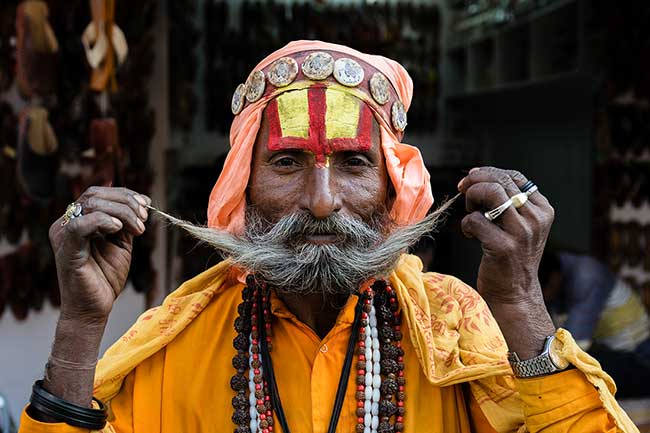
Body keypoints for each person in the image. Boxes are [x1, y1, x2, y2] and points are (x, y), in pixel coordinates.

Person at [19, 41, 637, 433]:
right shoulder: (177, 347)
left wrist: (523, 306)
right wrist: (79, 327)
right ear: (245, 186)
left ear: (393, 188)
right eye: (287, 163)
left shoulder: (454, 325)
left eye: (354, 164)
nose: (321, 201)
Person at [539, 249, 650, 398]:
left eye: (544, 291)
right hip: (605, 345)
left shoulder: (587, 276)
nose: (544, 298)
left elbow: (575, 347)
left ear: (553, 279)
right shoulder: (555, 272)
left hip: (634, 351)